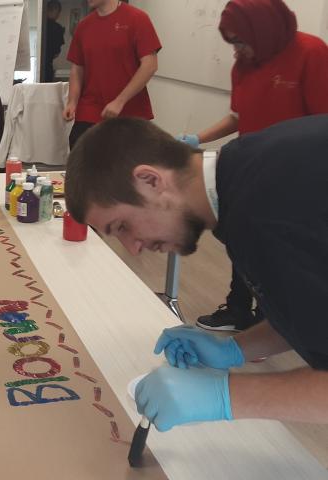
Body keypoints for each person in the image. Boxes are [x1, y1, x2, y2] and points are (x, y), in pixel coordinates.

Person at [64, 115, 328, 432]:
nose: (132, 248)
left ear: (150, 180)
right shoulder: (240, 174)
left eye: (123, 226)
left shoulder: (266, 214)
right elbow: (310, 310)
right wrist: (235, 349)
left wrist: (225, 395)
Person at [175, 0, 328, 333]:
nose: (237, 50)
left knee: (282, 252)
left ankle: (276, 321)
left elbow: (323, 122)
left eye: (241, 40)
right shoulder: (243, 64)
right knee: (241, 239)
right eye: (231, 42)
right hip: (251, 170)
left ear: (264, 29)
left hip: (296, 174)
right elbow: (237, 117)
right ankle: (238, 308)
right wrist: (195, 138)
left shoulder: (311, 53)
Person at [63, 0, 161, 148]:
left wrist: (120, 101)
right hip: (89, 112)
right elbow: (77, 67)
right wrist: (72, 101)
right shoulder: (84, 26)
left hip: (130, 114)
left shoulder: (137, 19)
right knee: (82, 164)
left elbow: (150, 65)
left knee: (126, 169)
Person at [40, 0, 65, 83]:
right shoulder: (58, 28)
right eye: (58, 12)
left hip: (39, 65)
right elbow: (57, 53)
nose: (58, 15)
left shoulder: (40, 25)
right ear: (56, 10)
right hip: (48, 67)